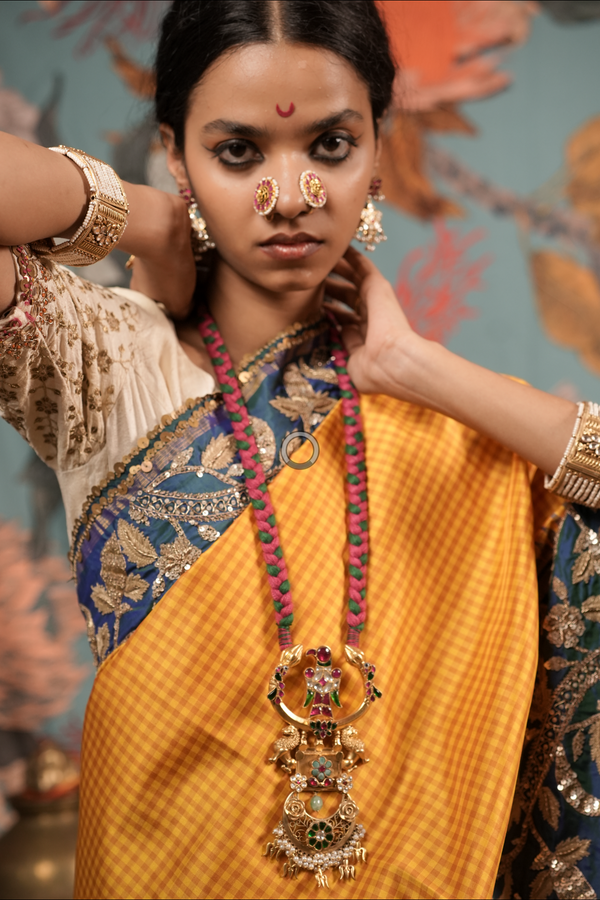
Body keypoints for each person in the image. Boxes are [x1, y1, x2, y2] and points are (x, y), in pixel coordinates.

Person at [0, 2, 598, 897]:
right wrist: (151, 220)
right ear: (177, 151)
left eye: (329, 146)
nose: (290, 198)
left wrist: (413, 366)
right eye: (238, 152)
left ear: (377, 149)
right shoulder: (110, 365)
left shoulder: (456, 416)